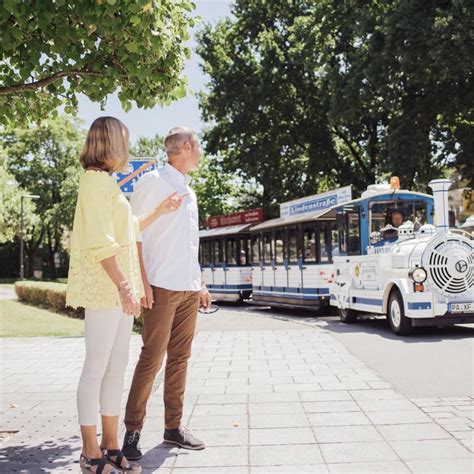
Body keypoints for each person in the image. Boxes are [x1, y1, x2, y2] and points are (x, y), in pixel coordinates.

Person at [66, 117, 184, 473]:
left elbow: (128, 227)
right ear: (111, 143)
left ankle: (112, 444)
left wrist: (159, 211)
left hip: (118, 290)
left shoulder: (109, 184)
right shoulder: (93, 181)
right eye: (125, 140)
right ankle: (90, 451)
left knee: (115, 368)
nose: (127, 147)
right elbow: (101, 242)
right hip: (106, 288)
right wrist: (124, 284)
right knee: (96, 369)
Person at [122, 126, 212, 460]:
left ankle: (173, 428)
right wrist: (142, 283)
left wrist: (199, 282)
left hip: (187, 288)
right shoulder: (153, 182)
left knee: (180, 359)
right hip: (160, 285)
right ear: (187, 146)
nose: (200, 151)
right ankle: (132, 431)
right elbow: (133, 233)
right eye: (198, 145)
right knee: (151, 357)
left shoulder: (189, 190)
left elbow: (190, 244)